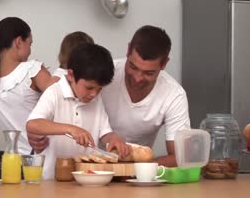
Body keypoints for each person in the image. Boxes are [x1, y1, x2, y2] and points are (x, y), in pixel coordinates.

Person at [26, 43, 131, 179]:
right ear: (70, 75)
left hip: (84, 179)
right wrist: (71, 129)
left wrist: (114, 138)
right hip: (51, 180)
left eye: (99, 89)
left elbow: (105, 133)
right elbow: (32, 124)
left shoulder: (96, 100)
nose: (94, 94)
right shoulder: (55, 92)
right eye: (89, 87)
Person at [101, 25, 190, 167]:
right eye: (133, 67)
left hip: (139, 177)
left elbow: (180, 157)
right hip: (91, 170)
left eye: (149, 73)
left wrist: (133, 169)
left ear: (164, 64)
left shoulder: (174, 95)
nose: (137, 78)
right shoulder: (103, 74)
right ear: (128, 50)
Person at [0, 17, 58, 155]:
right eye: (30, 44)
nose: (30, 50)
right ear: (18, 42)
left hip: (14, 160)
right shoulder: (32, 70)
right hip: (46, 156)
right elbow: (60, 97)